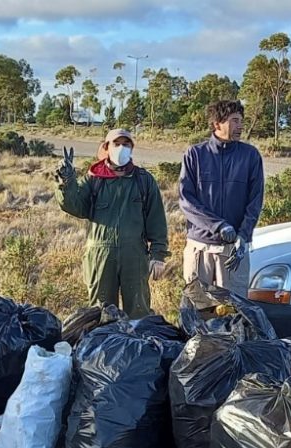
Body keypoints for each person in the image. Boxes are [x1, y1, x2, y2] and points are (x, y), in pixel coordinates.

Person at [55, 128, 169, 318]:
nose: (122, 148)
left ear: (132, 149)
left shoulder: (143, 180)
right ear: (106, 148)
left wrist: (158, 255)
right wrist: (66, 183)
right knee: (101, 313)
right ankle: (103, 346)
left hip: (134, 255)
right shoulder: (94, 179)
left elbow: (156, 219)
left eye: (126, 144)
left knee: (138, 313)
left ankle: (138, 347)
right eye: (117, 144)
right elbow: (75, 207)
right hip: (100, 255)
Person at [178, 100, 265, 296]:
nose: (240, 126)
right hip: (200, 248)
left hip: (233, 251)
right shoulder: (195, 154)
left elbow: (255, 201)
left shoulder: (250, 156)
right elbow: (186, 200)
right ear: (217, 124)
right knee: (197, 311)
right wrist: (218, 226)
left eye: (241, 121)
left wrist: (243, 237)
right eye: (234, 121)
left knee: (234, 313)